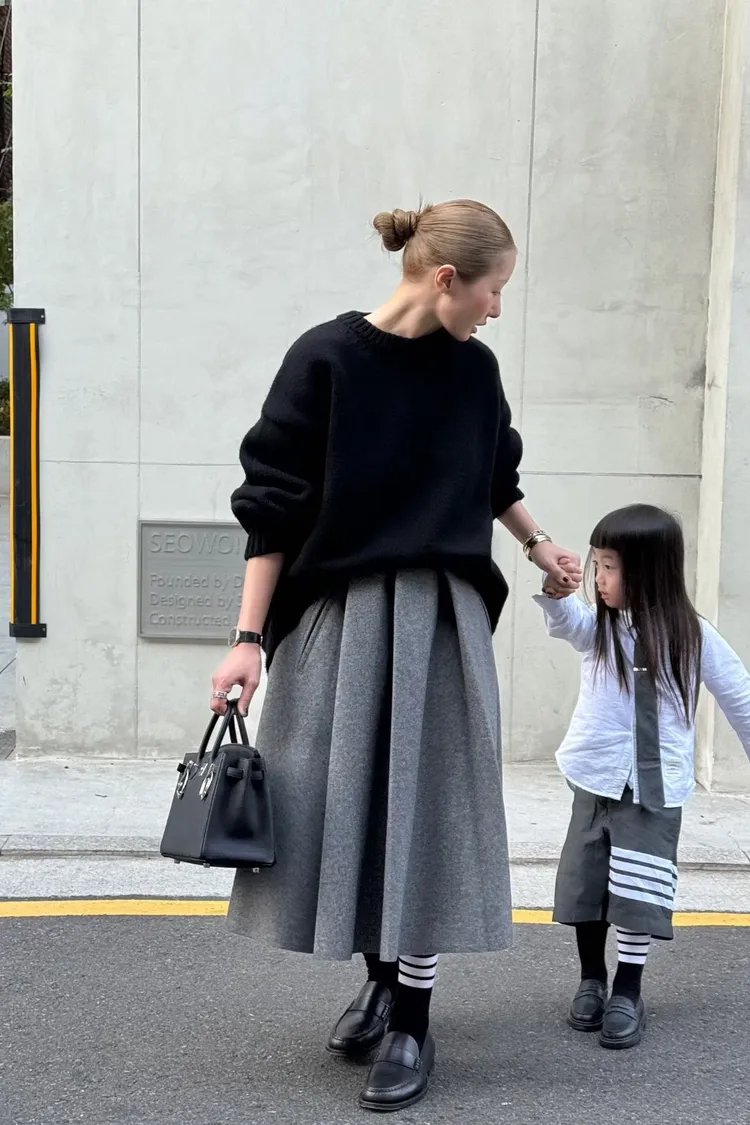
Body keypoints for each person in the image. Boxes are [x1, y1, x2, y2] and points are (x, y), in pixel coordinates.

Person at [210, 199, 582, 1113]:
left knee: (429, 812)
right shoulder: (326, 360)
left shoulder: (474, 371)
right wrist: (248, 640)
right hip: (340, 617)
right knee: (355, 809)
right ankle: (380, 981)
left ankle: (413, 1017)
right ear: (447, 278)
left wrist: (540, 546)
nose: (498, 308)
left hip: (443, 617)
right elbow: (272, 508)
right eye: (494, 289)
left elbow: (495, 475)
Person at [535, 503, 750, 1050]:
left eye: (610, 567)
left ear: (649, 572)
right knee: (586, 884)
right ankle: (591, 979)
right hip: (595, 779)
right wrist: (557, 592)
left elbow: (740, 698)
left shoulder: (693, 636)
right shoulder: (600, 627)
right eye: (597, 565)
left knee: (638, 889)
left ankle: (628, 990)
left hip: (655, 789)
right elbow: (567, 622)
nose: (599, 578)